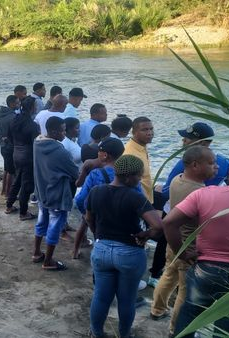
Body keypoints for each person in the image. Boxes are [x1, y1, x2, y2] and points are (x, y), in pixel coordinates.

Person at [164, 149, 229, 338]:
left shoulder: (205, 194)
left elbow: (169, 222)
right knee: (227, 328)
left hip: (205, 270)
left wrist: (182, 253)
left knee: (187, 319)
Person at [86, 155, 163, 338]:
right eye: (139, 176)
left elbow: (89, 218)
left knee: (101, 297)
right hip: (129, 252)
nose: (140, 179)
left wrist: (98, 235)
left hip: (102, 250)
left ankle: (97, 333)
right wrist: (144, 236)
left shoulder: (96, 191)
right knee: (126, 300)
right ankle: (125, 335)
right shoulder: (135, 198)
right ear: (129, 177)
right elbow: (158, 226)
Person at [149, 146, 217, 336]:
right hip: (189, 246)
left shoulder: (177, 180)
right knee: (185, 292)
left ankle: (156, 309)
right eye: (211, 164)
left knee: (168, 274)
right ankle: (175, 328)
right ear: (195, 165)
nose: (216, 168)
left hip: (173, 242)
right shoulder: (201, 192)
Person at [32, 116, 79, 270]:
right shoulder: (60, 150)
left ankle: (37, 252)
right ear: (53, 131)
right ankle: (48, 261)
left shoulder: (37, 143)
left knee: (41, 221)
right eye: (62, 130)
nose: (64, 134)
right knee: (55, 226)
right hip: (57, 195)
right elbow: (74, 173)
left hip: (41, 191)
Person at [72, 137, 125, 259]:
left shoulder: (96, 174)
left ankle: (75, 252)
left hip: (97, 214)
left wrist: (87, 214)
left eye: (99, 152)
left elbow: (80, 199)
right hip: (119, 216)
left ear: (105, 155)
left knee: (89, 231)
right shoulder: (129, 174)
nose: (97, 154)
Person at [159, 122, 229, 202]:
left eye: (188, 137)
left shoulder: (186, 163)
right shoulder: (225, 162)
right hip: (210, 204)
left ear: (201, 143)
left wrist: (157, 188)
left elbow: (166, 193)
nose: (183, 139)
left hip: (184, 208)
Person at [6, 96, 40, 220]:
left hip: (16, 153)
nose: (36, 107)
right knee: (26, 185)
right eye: (35, 105)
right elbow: (36, 144)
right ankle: (23, 213)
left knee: (17, 180)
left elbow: (9, 137)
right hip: (28, 156)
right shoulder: (32, 125)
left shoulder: (14, 120)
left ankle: (9, 206)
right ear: (32, 108)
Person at [124, 117, 154, 204]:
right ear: (133, 132)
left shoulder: (141, 146)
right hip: (139, 203)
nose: (149, 133)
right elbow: (129, 185)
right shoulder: (130, 154)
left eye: (151, 129)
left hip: (147, 200)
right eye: (144, 130)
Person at [0, 95, 20, 196]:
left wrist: (1, 137)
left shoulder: (0, 115)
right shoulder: (13, 117)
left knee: (6, 169)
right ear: (12, 104)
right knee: (11, 171)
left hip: (3, 146)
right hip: (10, 147)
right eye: (17, 102)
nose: (19, 104)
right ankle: (9, 194)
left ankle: (4, 191)